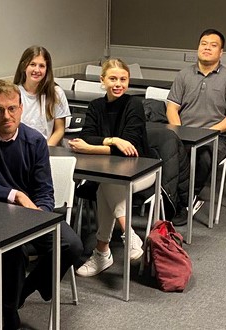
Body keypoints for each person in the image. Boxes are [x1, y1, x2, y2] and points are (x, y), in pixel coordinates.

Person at [0, 79, 83, 329]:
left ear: (21, 107)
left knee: (73, 246)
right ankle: (7, 312)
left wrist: (38, 218)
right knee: (12, 250)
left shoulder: (34, 141)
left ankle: (22, 292)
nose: (6, 115)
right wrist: (15, 195)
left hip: (30, 215)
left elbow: (45, 191)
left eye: (12, 108)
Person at [68, 58, 156, 276]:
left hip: (142, 171)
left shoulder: (134, 105)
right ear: (102, 80)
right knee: (107, 183)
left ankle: (104, 252)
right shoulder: (96, 106)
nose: (118, 84)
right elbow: (86, 135)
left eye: (123, 79)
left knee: (108, 184)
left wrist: (90, 149)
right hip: (109, 174)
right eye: (113, 78)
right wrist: (113, 141)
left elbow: (131, 147)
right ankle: (122, 239)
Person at [166, 28, 226, 213]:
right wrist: (179, 131)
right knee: (166, 151)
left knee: (204, 156)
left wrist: (210, 132)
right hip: (184, 132)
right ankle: (170, 198)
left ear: (221, 52)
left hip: (215, 137)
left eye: (213, 45)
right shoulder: (184, 75)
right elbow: (172, 107)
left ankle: (189, 199)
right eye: (204, 44)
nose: (207, 48)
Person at [13, 45, 71, 146]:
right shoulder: (14, 92)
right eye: (32, 64)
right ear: (24, 66)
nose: (37, 70)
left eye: (42, 66)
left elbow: (59, 130)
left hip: (45, 148)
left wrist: (45, 150)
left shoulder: (56, 93)